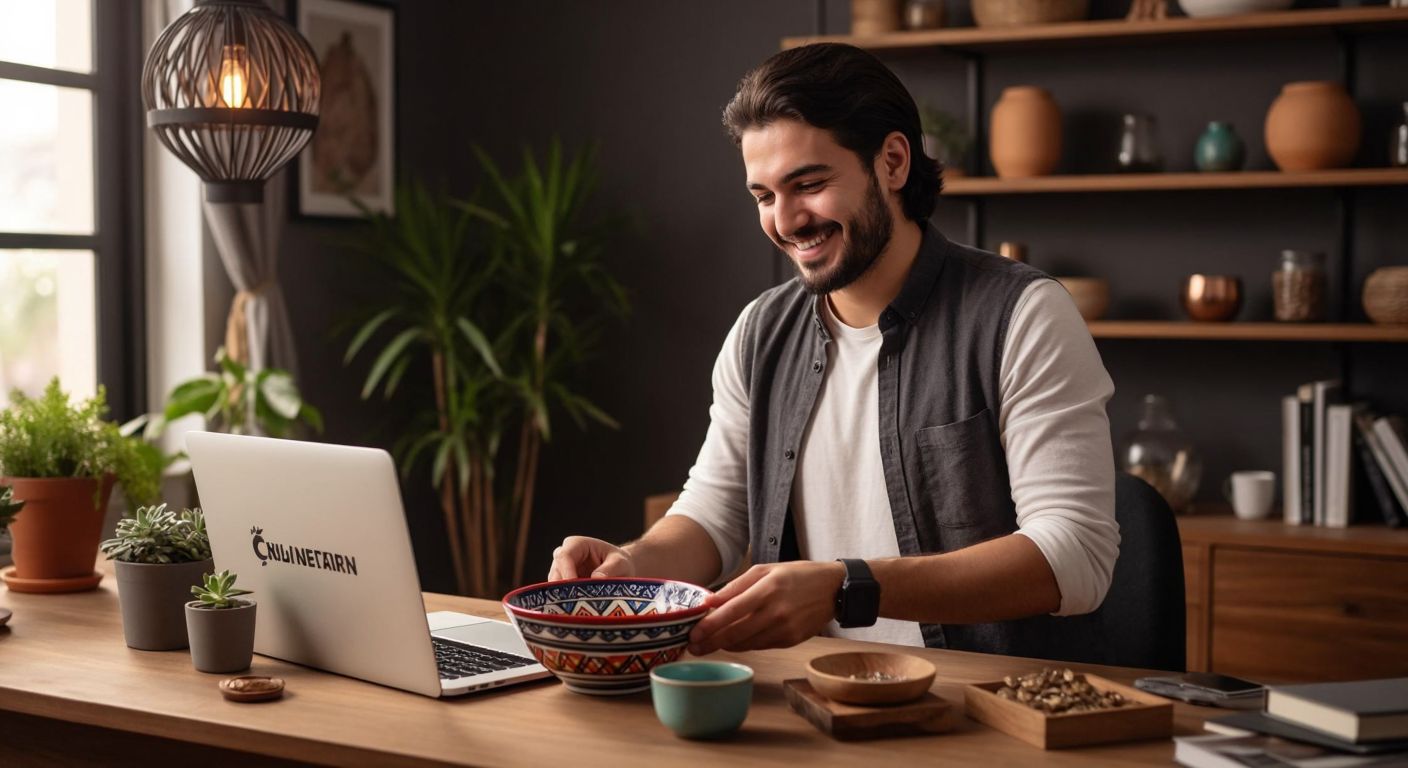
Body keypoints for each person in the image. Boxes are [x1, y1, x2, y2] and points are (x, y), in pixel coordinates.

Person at [549, 43, 1119, 662]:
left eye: (809, 184)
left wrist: (847, 587)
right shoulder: (759, 331)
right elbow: (715, 515)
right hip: (804, 705)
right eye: (764, 196)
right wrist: (632, 562)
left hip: (978, 711)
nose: (786, 221)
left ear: (893, 162)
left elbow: (1076, 556)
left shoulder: (1023, 315)